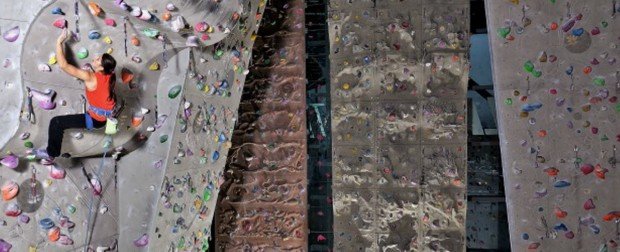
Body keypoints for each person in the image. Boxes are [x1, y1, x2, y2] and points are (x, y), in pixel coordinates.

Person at [32, 29, 117, 164]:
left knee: (56, 122)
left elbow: (64, 65)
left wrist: (59, 42)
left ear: (101, 67)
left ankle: (51, 154)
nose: (95, 58)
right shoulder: (111, 75)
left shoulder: (90, 77)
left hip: (96, 120)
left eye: (98, 59)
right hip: (107, 116)